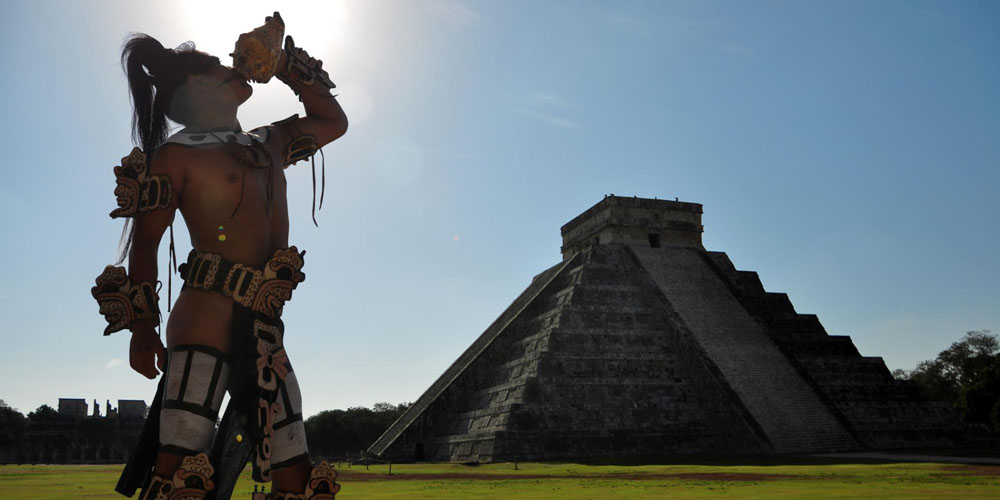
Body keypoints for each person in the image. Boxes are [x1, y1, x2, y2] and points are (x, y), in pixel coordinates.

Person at [92, 22, 347, 500]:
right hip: (204, 321)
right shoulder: (175, 157)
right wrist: (143, 328)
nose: (235, 67)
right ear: (197, 86)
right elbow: (146, 243)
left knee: (296, 478)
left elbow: (334, 123)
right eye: (220, 66)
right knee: (179, 474)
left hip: (266, 331)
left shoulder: (269, 142)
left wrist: (289, 66)